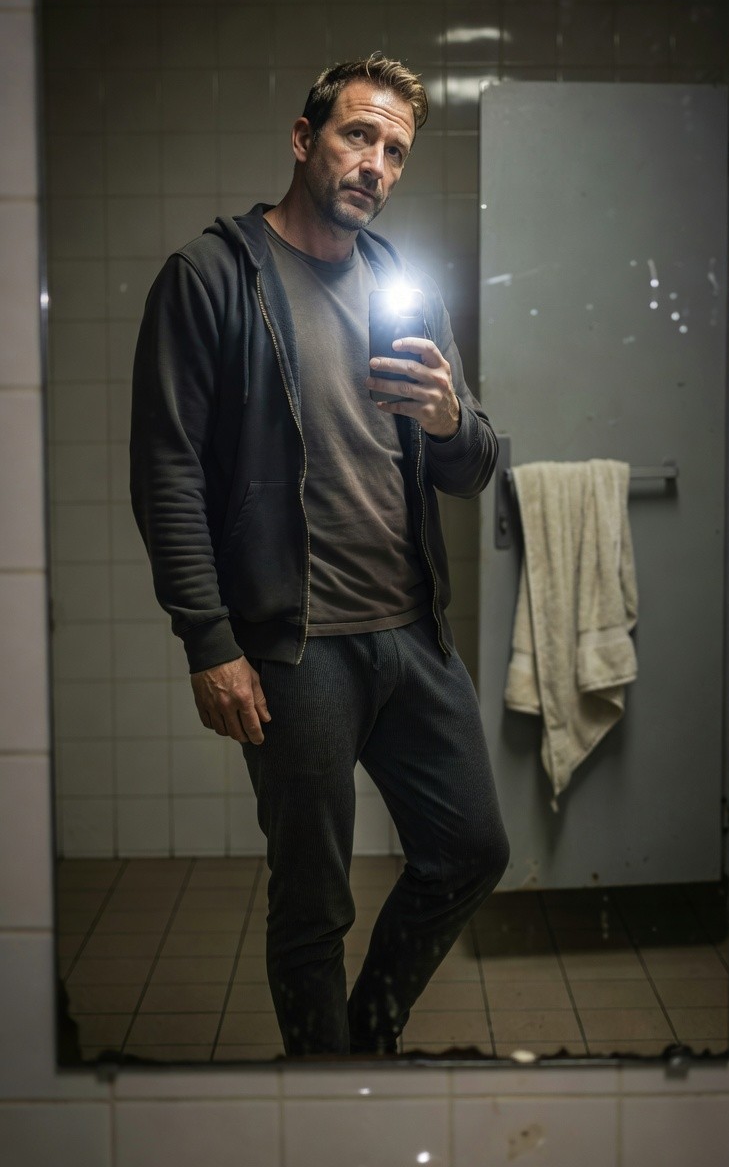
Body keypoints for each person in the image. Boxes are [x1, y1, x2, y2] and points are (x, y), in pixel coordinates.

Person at [130, 53, 509, 1056]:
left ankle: (365, 1042)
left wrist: (449, 420)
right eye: (358, 135)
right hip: (296, 651)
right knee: (313, 901)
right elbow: (166, 472)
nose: (376, 163)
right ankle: (323, 1090)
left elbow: (476, 466)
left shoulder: (403, 287)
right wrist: (209, 641)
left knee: (472, 849)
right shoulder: (212, 277)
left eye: (396, 150)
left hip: (414, 635)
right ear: (305, 140)